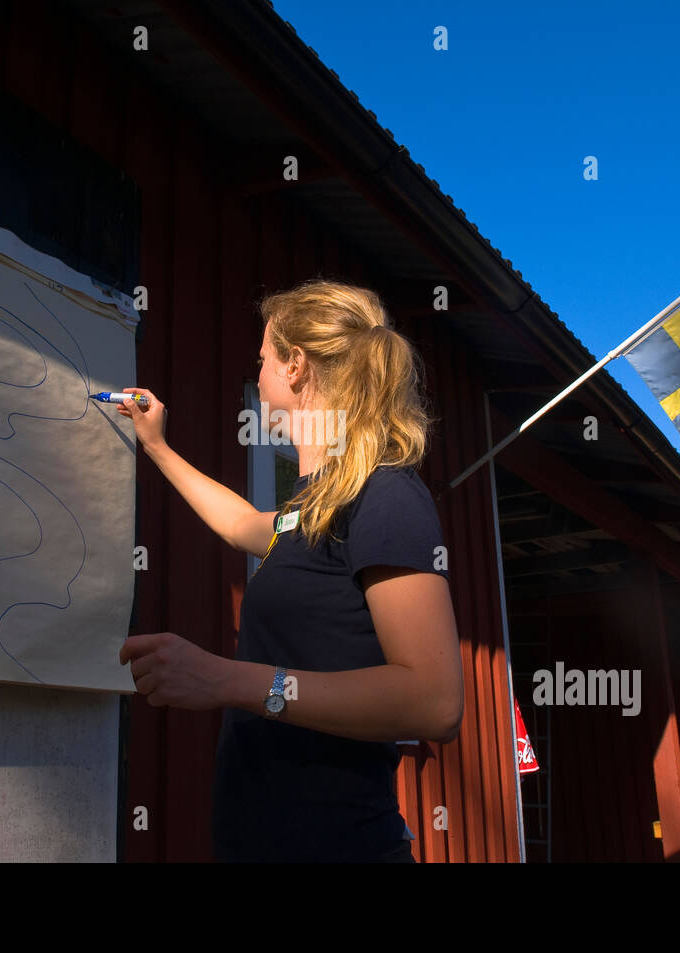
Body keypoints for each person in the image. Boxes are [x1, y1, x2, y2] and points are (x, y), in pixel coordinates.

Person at [117, 279, 462, 862]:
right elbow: (244, 523)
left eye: (263, 360)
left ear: (296, 366)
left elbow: (435, 701)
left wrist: (229, 680)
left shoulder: (385, 497)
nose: (258, 377)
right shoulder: (312, 507)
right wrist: (157, 447)